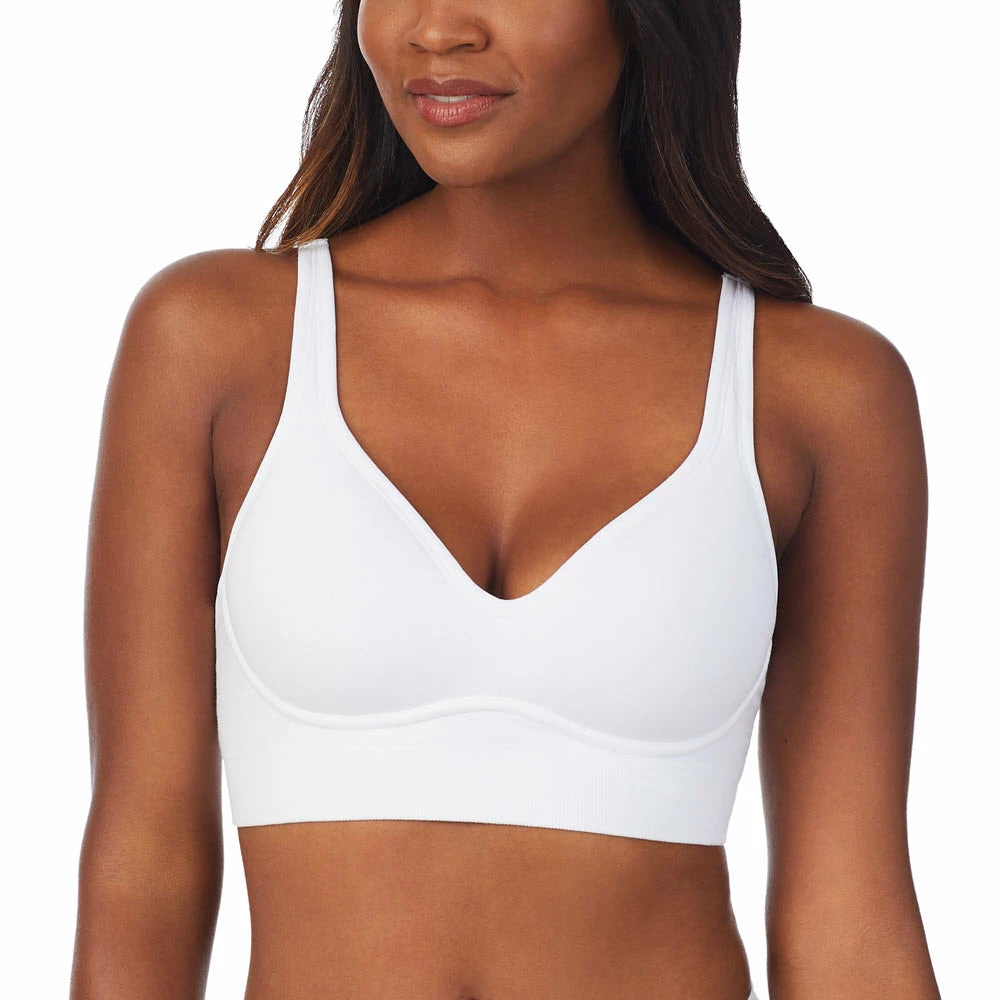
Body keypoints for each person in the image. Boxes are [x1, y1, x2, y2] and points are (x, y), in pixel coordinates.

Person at [71, 2, 941, 998]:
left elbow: (849, 920)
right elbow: (144, 869)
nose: (438, 29)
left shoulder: (821, 393)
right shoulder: (214, 341)